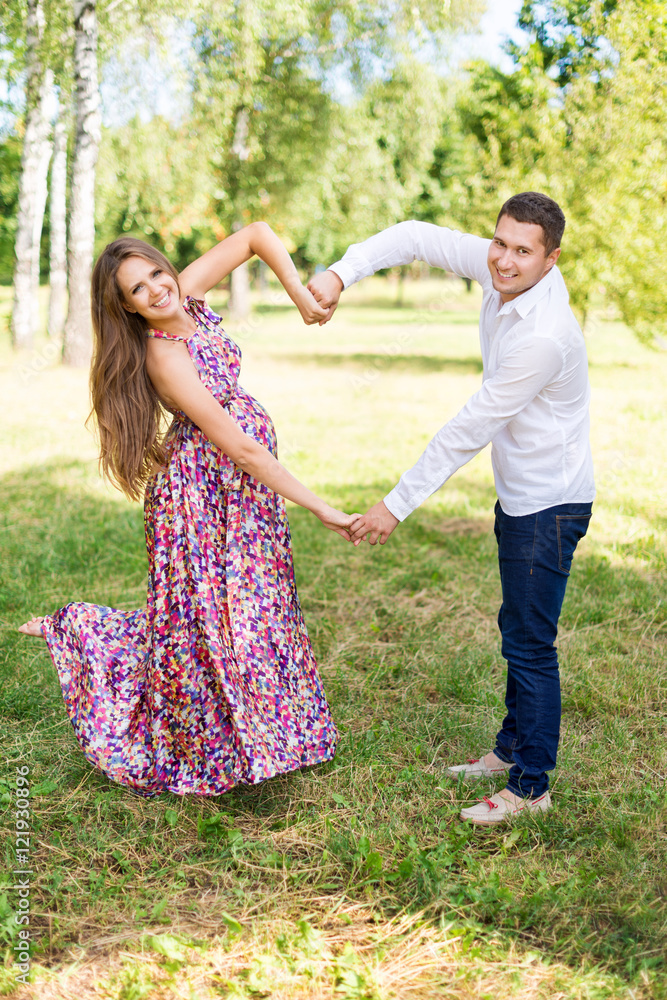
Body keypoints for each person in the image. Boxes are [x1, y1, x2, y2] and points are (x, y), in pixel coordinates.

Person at [19, 223, 360, 797]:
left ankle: (274, 736)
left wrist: (300, 294)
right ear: (127, 309)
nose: (155, 290)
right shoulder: (164, 356)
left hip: (238, 492)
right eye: (137, 290)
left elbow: (255, 234)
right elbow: (243, 449)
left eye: (156, 272)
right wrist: (321, 507)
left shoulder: (187, 296)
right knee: (202, 625)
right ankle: (82, 633)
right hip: (201, 496)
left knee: (256, 606)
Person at [308, 192, 595, 826]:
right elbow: (413, 235)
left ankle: (531, 787)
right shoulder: (502, 266)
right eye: (500, 242)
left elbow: (470, 426)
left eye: (524, 251)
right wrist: (339, 272)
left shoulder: (543, 337)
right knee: (517, 629)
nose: (504, 260)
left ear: (551, 260)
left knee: (530, 644)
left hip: (550, 503)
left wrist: (395, 504)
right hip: (522, 492)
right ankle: (508, 751)